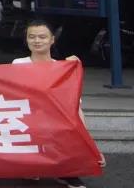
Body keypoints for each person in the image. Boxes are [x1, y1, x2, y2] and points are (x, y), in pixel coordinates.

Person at [12, 21, 101, 188]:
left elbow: (74, 106)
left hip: (54, 121)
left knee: (68, 127)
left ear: (52, 40)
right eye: (32, 37)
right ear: (26, 39)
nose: (37, 41)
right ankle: (31, 166)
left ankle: (67, 173)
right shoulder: (18, 63)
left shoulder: (63, 69)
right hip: (27, 117)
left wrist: (88, 141)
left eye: (42, 37)